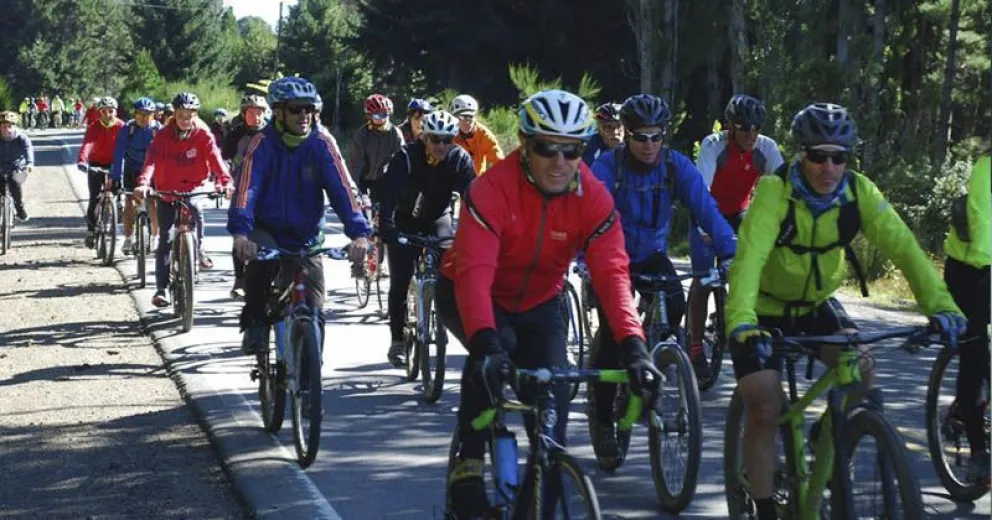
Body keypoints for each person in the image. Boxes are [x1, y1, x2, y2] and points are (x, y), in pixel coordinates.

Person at [724, 102, 967, 520]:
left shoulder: (859, 192)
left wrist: (942, 307)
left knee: (863, 371)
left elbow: (904, 248)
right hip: (762, 311)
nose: (829, 168)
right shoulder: (774, 192)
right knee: (764, 408)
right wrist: (743, 321)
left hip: (816, 305)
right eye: (818, 156)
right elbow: (749, 260)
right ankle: (764, 509)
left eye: (839, 157)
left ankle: (826, 437)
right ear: (801, 154)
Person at [439, 89, 661, 518]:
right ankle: (468, 463)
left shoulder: (592, 197)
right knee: (494, 356)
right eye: (546, 148)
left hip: (540, 302)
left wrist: (635, 347)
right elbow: (475, 274)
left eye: (572, 150)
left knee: (551, 421)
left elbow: (613, 273)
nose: (560, 162)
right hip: (472, 292)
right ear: (524, 144)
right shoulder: (491, 189)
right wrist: (485, 345)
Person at [587, 94, 736, 456]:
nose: (649, 145)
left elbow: (706, 208)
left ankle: (651, 362)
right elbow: (587, 214)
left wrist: (731, 251)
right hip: (613, 259)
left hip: (652, 255)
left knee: (676, 302)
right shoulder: (607, 166)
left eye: (656, 136)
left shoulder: (675, 166)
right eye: (641, 137)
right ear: (627, 134)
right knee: (612, 340)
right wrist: (583, 258)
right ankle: (604, 418)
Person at [227, 76, 371, 355]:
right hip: (267, 230)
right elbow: (247, 189)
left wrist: (360, 234)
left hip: (307, 237)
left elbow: (343, 190)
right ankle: (255, 323)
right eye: (296, 109)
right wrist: (241, 234)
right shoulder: (261, 144)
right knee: (259, 272)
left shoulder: (322, 143)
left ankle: (310, 367)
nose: (304, 115)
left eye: (310, 108)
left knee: (315, 307)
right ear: (278, 112)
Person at [686, 94, 784, 378]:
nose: (751, 135)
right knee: (703, 279)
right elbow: (700, 191)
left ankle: (730, 317)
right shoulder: (713, 145)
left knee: (751, 269)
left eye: (756, 128)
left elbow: (784, 190)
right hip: (707, 213)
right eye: (743, 128)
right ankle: (694, 346)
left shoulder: (767, 148)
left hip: (739, 213)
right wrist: (704, 229)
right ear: (730, 126)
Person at [378, 110, 474, 367]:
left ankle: (445, 316)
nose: (441, 145)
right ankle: (397, 340)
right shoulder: (406, 157)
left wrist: (475, 232)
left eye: (447, 140)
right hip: (405, 220)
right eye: (435, 139)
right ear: (424, 137)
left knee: (450, 274)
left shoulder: (459, 159)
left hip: (437, 217)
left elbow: (473, 200)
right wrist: (386, 226)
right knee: (400, 280)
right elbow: (388, 196)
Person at [133, 92, 232, 308]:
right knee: (166, 238)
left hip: (194, 187)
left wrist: (225, 182)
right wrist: (143, 183)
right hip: (167, 190)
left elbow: (215, 159)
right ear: (174, 115)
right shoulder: (162, 136)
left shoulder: (203, 135)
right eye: (181, 115)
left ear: (196, 115)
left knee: (196, 207)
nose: (185, 120)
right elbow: (151, 161)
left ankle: (200, 249)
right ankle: (161, 289)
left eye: (190, 115)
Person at [942, 149, 991, 485]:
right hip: (970, 272)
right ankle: (978, 452)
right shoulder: (986, 167)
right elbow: (981, 217)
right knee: (974, 354)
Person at [221, 94, 270, 299]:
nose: (255, 117)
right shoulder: (235, 135)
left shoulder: (272, 133)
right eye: (251, 113)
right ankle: (240, 279)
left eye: (259, 113)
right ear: (243, 114)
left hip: (267, 189)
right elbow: (224, 159)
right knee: (240, 233)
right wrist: (226, 181)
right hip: (241, 187)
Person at [111, 97, 163, 255]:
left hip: (153, 171)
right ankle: (128, 238)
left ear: (153, 115)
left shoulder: (159, 130)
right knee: (129, 202)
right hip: (132, 169)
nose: (143, 117)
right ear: (135, 114)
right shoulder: (128, 129)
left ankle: (155, 238)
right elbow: (119, 154)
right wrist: (116, 177)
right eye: (140, 113)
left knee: (153, 203)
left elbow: (166, 155)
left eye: (147, 114)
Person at [77, 97, 125, 247]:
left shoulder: (122, 126)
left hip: (115, 164)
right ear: (99, 113)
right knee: (95, 198)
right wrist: (82, 160)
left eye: (111, 111)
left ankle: (117, 211)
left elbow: (127, 146)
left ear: (115, 112)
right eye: (104, 111)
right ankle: (91, 230)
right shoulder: (94, 127)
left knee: (119, 193)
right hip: (96, 164)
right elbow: (88, 144)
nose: (107, 114)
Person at [347, 94, 404, 206]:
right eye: (377, 115)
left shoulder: (395, 134)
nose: (382, 118)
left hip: (384, 180)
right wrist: (354, 190)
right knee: (364, 209)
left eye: (385, 115)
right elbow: (355, 165)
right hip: (363, 179)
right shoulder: (361, 134)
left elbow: (401, 161)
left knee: (386, 212)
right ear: (369, 116)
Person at [449, 94, 504, 175]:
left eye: (470, 117)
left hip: (477, 179)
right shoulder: (450, 135)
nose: (466, 122)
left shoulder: (484, 135)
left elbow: (499, 161)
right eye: (461, 118)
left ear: (475, 117)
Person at [0, 111, 34, 221]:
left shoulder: (21, 137)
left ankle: (20, 209)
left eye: (9, 126)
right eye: (4, 127)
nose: (7, 129)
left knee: (15, 184)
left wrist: (29, 164)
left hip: (16, 166)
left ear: (14, 126)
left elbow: (28, 150)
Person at [582, 102, 624, 166]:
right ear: (599, 129)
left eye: (619, 126)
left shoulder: (634, 143)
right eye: (609, 127)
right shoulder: (588, 147)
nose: (615, 132)